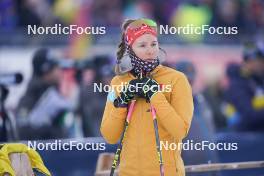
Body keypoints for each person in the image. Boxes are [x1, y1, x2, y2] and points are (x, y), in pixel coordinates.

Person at [100, 18, 193, 176]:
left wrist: (155, 95)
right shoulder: (118, 82)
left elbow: (180, 131)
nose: (150, 50)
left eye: (153, 44)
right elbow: (109, 136)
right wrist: (121, 103)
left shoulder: (176, 79)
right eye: (142, 45)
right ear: (130, 49)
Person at [16, 48, 75, 140]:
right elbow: (23, 132)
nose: (60, 71)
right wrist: (51, 130)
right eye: (56, 67)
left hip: (60, 151)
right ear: (45, 70)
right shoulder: (29, 99)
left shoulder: (56, 94)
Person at [223, 43, 264, 131]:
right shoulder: (238, 84)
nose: (259, 64)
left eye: (260, 61)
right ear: (246, 62)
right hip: (243, 134)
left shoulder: (258, 81)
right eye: (254, 61)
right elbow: (248, 115)